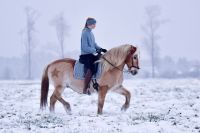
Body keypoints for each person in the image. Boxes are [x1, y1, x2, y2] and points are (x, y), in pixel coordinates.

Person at [79, 17, 107, 95]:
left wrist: (101, 49)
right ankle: (85, 88)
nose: (95, 25)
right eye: (94, 24)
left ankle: (96, 82)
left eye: (95, 24)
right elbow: (84, 47)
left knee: (101, 59)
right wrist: (95, 51)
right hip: (85, 55)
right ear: (90, 24)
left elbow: (94, 44)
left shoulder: (91, 32)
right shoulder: (85, 32)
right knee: (91, 67)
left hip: (91, 54)